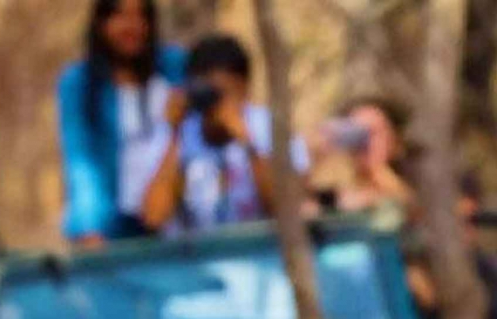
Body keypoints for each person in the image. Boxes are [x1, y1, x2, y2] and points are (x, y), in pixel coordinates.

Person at [139, 34, 307, 234]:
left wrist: (247, 143)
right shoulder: (174, 133)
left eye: (224, 93)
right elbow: (153, 218)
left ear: (245, 88)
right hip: (194, 259)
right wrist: (176, 136)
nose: (215, 105)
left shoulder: (269, 129)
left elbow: (288, 211)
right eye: (209, 94)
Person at [57, 0, 187, 245]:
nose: (132, 26)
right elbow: (80, 162)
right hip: (113, 228)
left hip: (174, 220)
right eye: (120, 16)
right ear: (101, 22)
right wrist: (88, 227)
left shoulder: (174, 67)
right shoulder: (80, 83)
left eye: (140, 16)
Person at [309, 96, 414, 216]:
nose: (364, 143)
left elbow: (407, 205)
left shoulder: (405, 193)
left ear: (394, 140)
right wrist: (314, 152)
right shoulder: (337, 196)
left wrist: (376, 168)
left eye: (373, 133)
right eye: (357, 132)